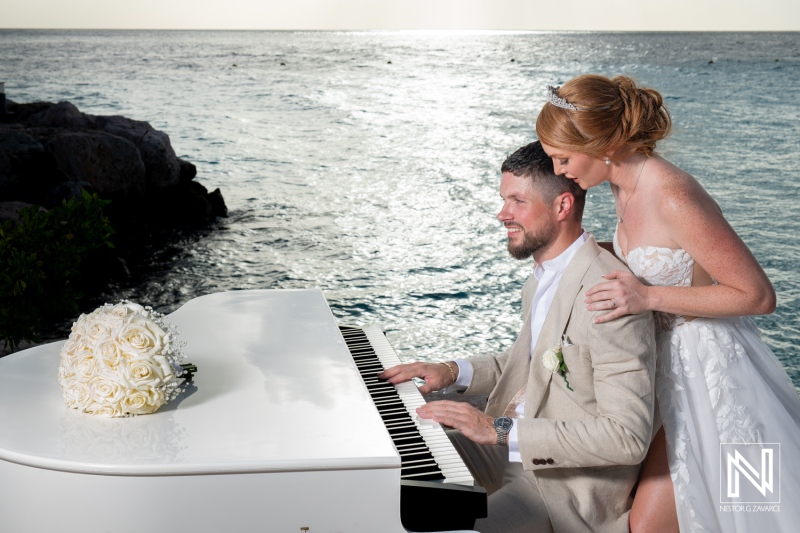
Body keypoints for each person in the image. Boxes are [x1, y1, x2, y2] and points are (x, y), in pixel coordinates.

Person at [535, 74, 800, 532]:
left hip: (712, 377)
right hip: (659, 368)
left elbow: (757, 295)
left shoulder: (674, 195)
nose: (559, 171)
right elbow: (652, 258)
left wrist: (648, 295)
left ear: (604, 144)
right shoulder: (621, 186)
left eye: (563, 158)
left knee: (743, 512)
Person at [380, 141, 657, 533]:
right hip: (503, 453)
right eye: (502, 200)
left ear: (562, 207)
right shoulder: (543, 278)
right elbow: (531, 362)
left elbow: (626, 437)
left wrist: (498, 429)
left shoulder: (608, 295)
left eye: (517, 202)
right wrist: (449, 370)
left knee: (451, 531)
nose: (501, 214)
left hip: (560, 487)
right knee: (388, 471)